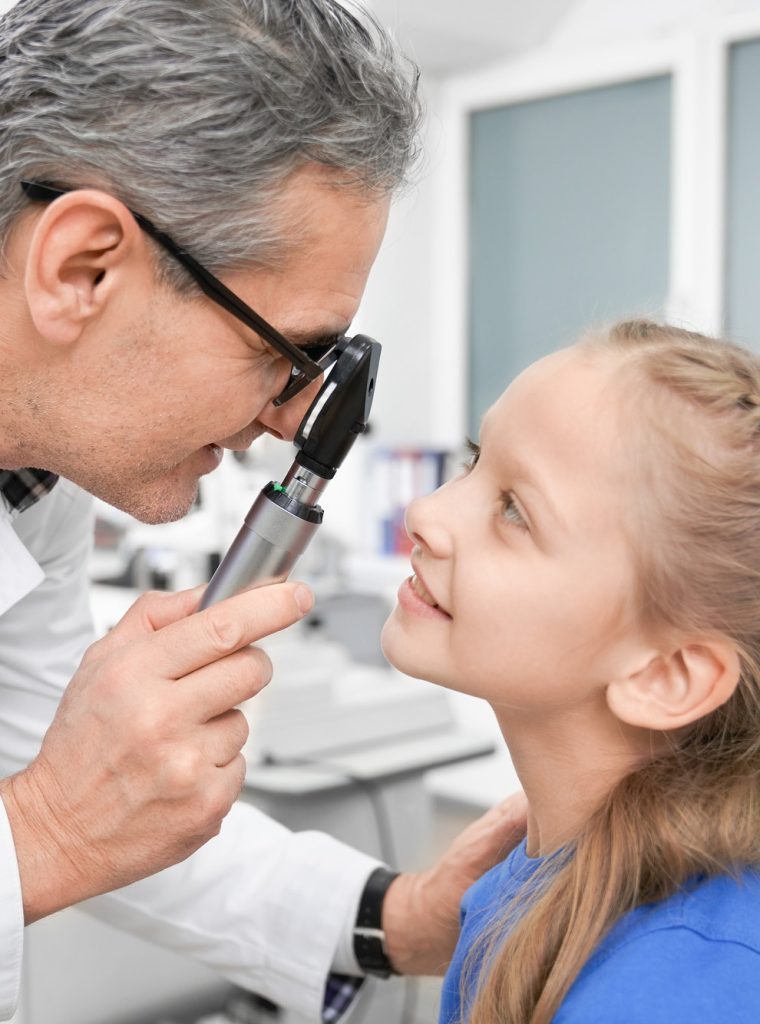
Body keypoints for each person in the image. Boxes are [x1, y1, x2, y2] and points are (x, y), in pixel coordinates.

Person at [0, 1, 529, 1020]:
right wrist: (48, 831)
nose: (291, 421)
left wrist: (401, 914)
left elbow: (74, 781)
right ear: (82, 269)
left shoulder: (35, 486)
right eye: (283, 353)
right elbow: (55, 807)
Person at [381, 318, 760, 1024]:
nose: (425, 512)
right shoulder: (527, 880)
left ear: (668, 674)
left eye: (515, 511)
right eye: (475, 460)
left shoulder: (678, 991)